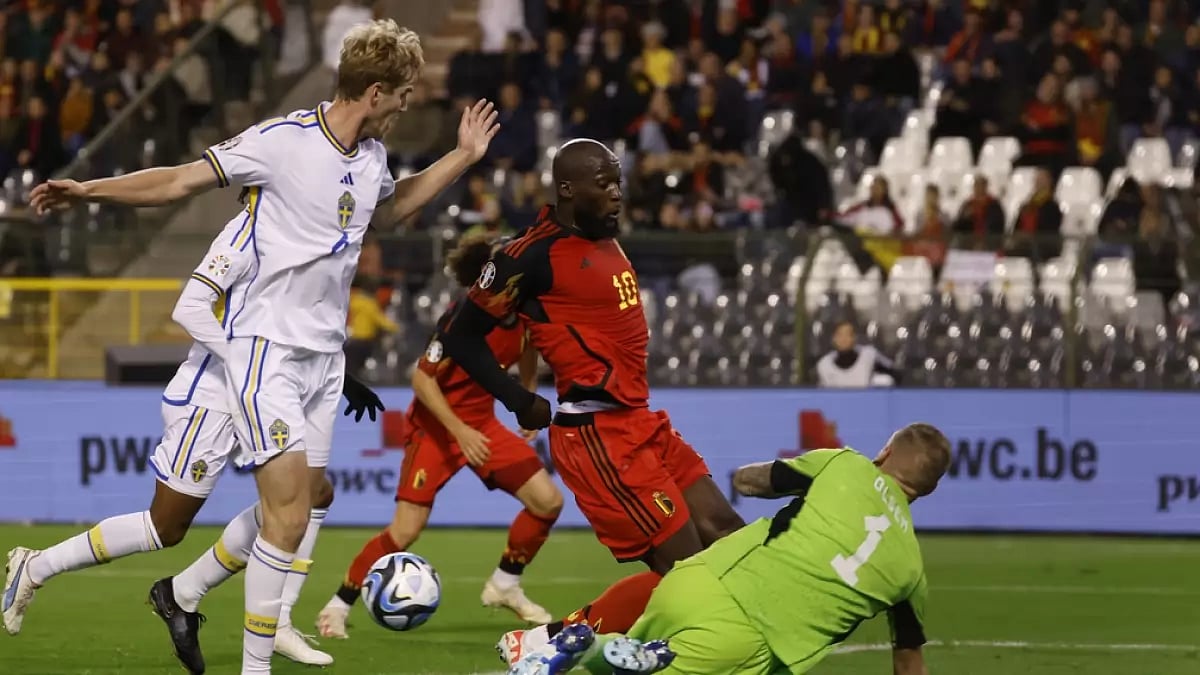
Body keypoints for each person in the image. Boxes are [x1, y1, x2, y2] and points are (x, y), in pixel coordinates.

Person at [20, 20, 499, 675]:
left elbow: (388, 211)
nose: (410, 104)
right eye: (405, 93)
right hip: (263, 354)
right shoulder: (281, 143)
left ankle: (194, 596)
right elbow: (179, 182)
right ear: (377, 89)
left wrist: (463, 157)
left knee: (311, 499)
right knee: (273, 512)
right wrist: (88, 189)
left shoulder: (373, 158)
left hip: (324, 362)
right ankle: (249, 655)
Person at [2, 234, 383, 670]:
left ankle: (262, 617)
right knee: (165, 526)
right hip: (214, 394)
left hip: (267, 389)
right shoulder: (251, 228)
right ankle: (37, 566)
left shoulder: (304, 227)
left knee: (311, 494)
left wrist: (338, 377)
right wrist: (247, 364)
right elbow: (190, 308)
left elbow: (288, 325)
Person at [437, 138, 746, 666]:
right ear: (566, 189)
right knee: (690, 578)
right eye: (603, 185)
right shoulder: (528, 255)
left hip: (642, 422)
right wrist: (517, 397)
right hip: (599, 433)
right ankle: (565, 642)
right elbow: (462, 337)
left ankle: (540, 641)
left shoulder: (602, 235)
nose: (616, 195)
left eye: (617, 183)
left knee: (730, 539)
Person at [511, 423, 952, 675]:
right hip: (749, 639)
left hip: (698, 578)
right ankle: (599, 651)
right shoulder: (911, 571)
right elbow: (908, 664)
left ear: (886, 451)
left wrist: (752, 479)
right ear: (927, 491)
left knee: (635, 653)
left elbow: (751, 481)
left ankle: (583, 645)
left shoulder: (844, 464)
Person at [316, 232, 564, 638]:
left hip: (481, 425)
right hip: (435, 429)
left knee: (547, 502)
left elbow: (527, 348)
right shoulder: (460, 319)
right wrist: (460, 431)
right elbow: (421, 380)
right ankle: (338, 606)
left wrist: (528, 397)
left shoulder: (523, 312)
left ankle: (505, 585)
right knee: (405, 531)